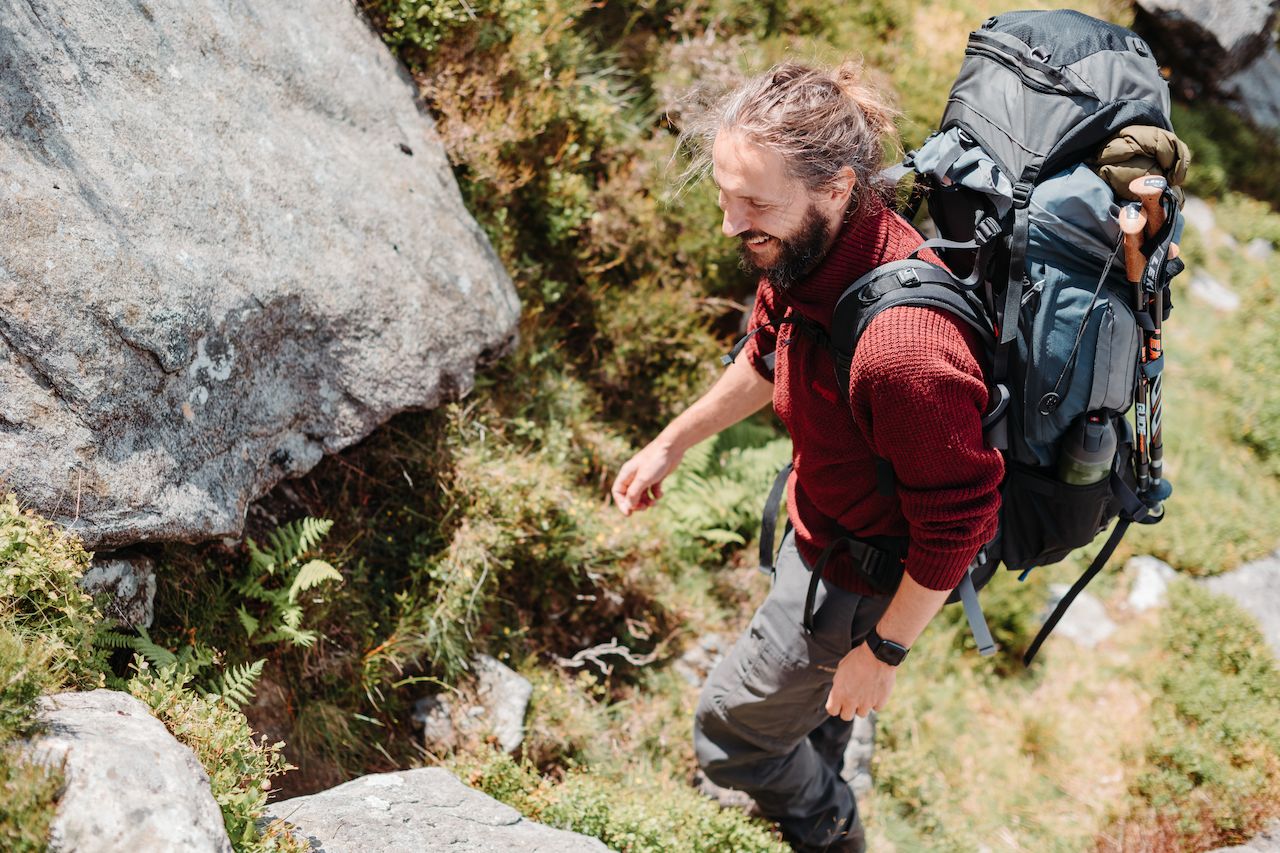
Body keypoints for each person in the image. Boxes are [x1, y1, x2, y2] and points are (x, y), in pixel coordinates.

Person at [610, 61, 1003, 853]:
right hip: (820, 525)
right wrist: (671, 442)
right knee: (812, 707)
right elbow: (766, 354)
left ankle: (830, 828)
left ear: (836, 186)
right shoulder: (808, 251)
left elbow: (960, 522)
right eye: (726, 194)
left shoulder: (905, 351)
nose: (731, 222)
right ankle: (821, 755)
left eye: (754, 201)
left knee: (732, 734)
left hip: (857, 578)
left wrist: (884, 650)